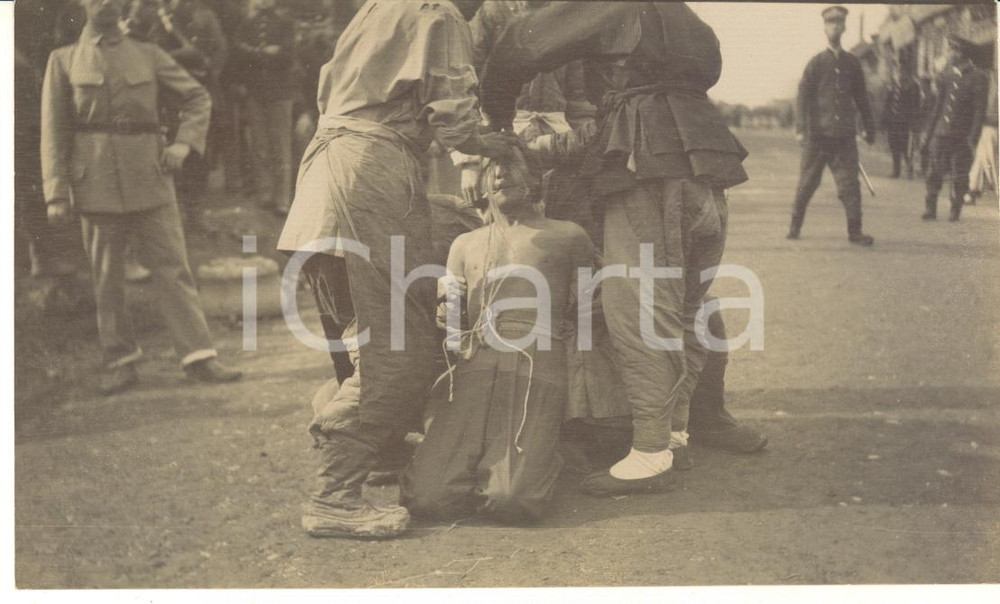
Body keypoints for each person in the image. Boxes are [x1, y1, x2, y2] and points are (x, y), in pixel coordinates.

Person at [479, 2, 749, 497]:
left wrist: (497, 119)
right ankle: (673, 436)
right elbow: (629, 114)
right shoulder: (686, 22)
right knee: (686, 308)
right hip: (707, 161)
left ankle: (650, 452)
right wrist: (544, 149)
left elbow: (520, 45)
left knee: (639, 309)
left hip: (651, 175)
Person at [276, 0, 517, 539]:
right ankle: (333, 496)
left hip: (326, 169)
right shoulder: (439, 13)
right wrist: (498, 143)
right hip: (369, 173)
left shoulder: (380, 7)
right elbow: (453, 117)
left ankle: (381, 453)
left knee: (362, 332)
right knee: (398, 348)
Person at [41, 0, 243, 395]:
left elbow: (197, 97)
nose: (105, 3)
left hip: (150, 177)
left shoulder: (148, 53)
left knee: (173, 268)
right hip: (95, 182)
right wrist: (55, 192)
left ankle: (199, 356)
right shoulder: (63, 60)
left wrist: (184, 143)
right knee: (107, 277)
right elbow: (53, 131)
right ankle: (120, 360)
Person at [401, 147, 594, 523]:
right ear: (481, 185)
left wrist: (575, 384)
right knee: (426, 499)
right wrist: (447, 311)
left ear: (536, 178)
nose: (501, 175)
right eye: (492, 168)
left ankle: (546, 451)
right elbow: (453, 331)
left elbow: (586, 315)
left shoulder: (568, 235)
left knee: (512, 500)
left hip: (539, 361)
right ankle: (471, 458)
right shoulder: (465, 244)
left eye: (512, 166)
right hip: (476, 361)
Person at [787, 5, 876, 245]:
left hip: (844, 137)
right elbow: (802, 98)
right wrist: (800, 130)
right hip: (817, 137)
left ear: (844, 27)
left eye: (839, 23)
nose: (835, 27)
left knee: (850, 185)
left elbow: (862, 98)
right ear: (825, 28)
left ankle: (855, 232)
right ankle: (794, 226)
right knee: (807, 183)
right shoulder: (815, 63)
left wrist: (869, 128)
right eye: (830, 23)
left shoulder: (852, 63)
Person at [230, 0, 297, 215]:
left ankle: (282, 198)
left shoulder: (285, 22)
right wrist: (266, 52)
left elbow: (288, 55)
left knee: (280, 146)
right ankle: (265, 193)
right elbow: (238, 52)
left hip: (280, 93)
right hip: (255, 92)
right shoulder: (248, 23)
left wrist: (257, 52)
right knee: (259, 144)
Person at [921, 35, 990, 222]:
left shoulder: (979, 78)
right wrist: (928, 133)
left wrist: (972, 138)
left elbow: (979, 111)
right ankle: (930, 208)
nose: (949, 53)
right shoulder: (948, 75)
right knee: (934, 170)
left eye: (952, 50)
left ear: (960, 53)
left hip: (962, 136)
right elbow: (938, 107)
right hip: (942, 133)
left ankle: (955, 208)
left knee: (959, 173)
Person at [883, 67, 920, 179]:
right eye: (899, 71)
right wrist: (885, 119)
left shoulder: (912, 86)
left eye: (903, 71)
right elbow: (888, 103)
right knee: (894, 145)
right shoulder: (894, 86)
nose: (900, 74)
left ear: (907, 73)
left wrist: (913, 121)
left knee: (905, 147)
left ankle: (909, 169)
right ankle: (896, 171)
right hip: (893, 121)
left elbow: (915, 105)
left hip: (904, 122)